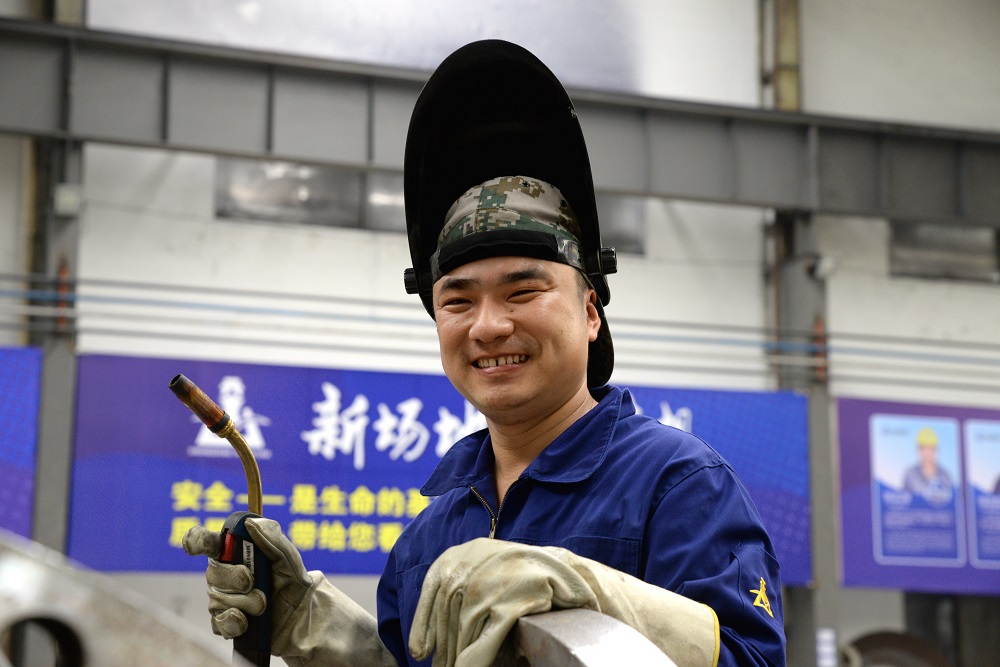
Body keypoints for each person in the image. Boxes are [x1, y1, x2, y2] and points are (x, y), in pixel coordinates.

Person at [183, 40, 785, 667]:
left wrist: (593, 592)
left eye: (522, 292)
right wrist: (314, 628)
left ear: (590, 312)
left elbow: (752, 658)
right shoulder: (429, 537)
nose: (489, 326)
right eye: (458, 300)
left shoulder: (676, 487)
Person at [902, 427, 953, 505]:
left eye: (931, 449)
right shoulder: (910, 474)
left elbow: (950, 503)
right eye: (925, 449)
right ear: (919, 450)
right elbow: (905, 502)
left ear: (936, 450)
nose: (928, 453)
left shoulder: (945, 476)